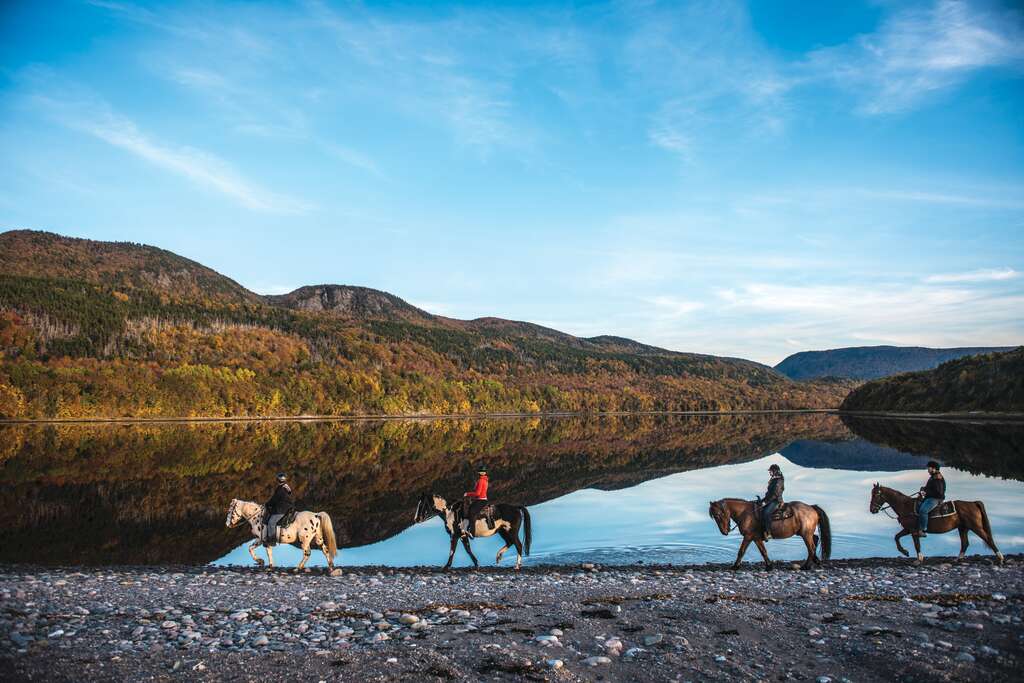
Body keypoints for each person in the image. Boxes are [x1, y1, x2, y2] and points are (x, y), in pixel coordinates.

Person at [915, 461, 945, 537]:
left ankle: (923, 529)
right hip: (931, 497)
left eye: (929, 468)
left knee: (923, 510)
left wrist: (926, 493)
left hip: (936, 499)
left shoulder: (937, 477)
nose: (928, 470)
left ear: (934, 469)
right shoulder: (933, 476)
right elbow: (930, 488)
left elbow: (939, 493)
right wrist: (923, 489)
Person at [460, 465, 492, 538]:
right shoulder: (486, 480)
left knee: (471, 511)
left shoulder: (481, 480)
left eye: (482, 472)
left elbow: (478, 493)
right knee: (469, 509)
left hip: (481, 500)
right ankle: (465, 528)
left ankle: (472, 532)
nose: (482, 473)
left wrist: (467, 494)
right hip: (482, 499)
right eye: (482, 471)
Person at [263, 472, 295, 544]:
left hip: (281, 509)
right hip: (288, 507)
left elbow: (274, 499)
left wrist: (267, 504)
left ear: (278, 480)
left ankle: (272, 540)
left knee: (271, 522)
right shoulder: (286, 487)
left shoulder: (280, 489)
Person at [761, 463, 785, 540]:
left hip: (776, 501)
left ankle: (769, 533)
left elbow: (775, 494)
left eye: (770, 471)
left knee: (766, 513)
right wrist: (763, 500)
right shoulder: (774, 479)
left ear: (774, 471)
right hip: (771, 499)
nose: (769, 472)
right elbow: (770, 493)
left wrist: (766, 502)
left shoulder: (778, 480)